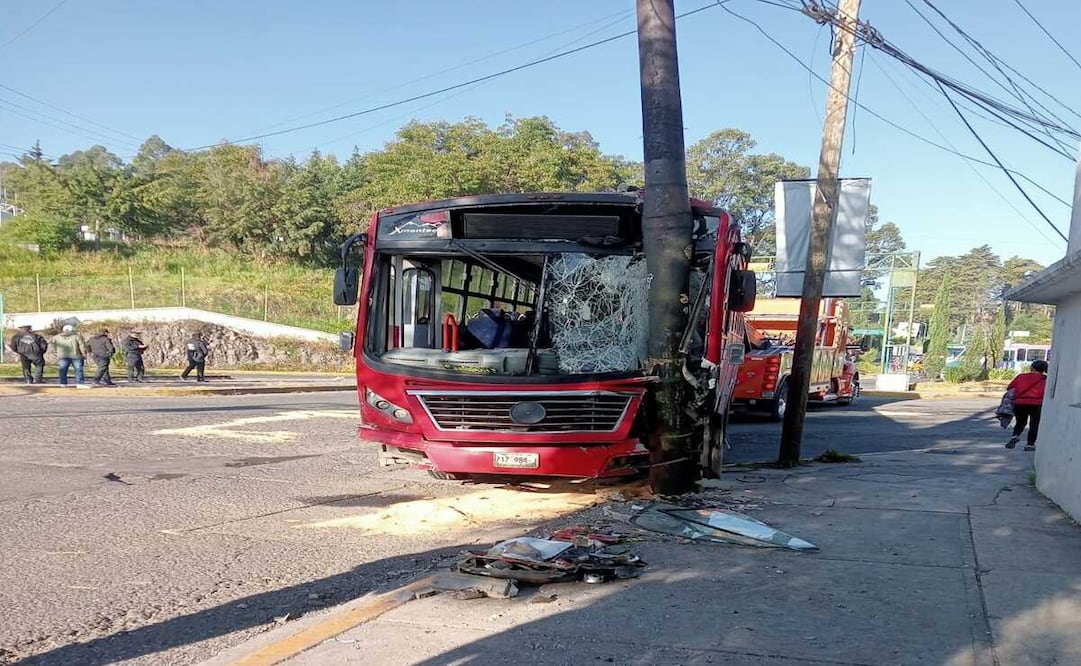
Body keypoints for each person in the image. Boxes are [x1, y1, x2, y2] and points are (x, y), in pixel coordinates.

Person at [1006, 359, 1048, 451]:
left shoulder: (1021, 376)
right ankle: (1030, 444)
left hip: (1020, 403)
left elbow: (1009, 387)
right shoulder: (1045, 379)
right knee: (1034, 424)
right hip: (1037, 404)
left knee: (1020, 422)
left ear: (1032, 368)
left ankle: (1015, 436)